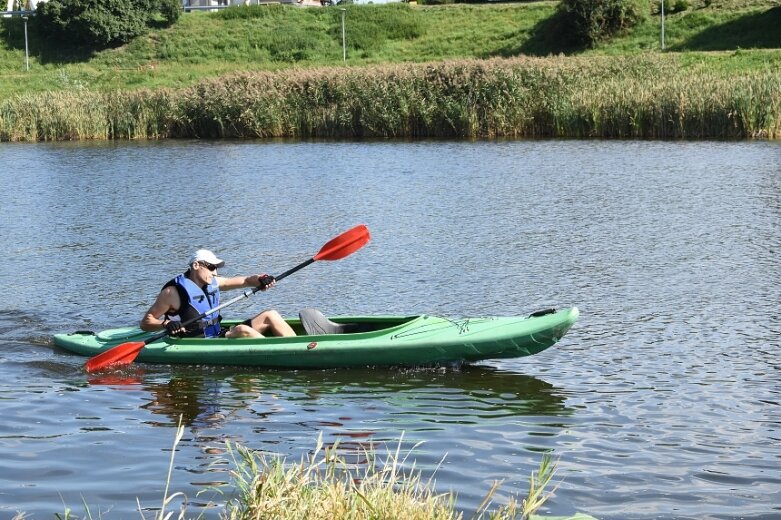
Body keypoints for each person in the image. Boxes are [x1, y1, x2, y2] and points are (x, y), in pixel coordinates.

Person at [140, 249, 296, 339]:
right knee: (242, 330)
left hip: (217, 334)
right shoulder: (172, 292)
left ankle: (298, 346)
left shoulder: (214, 282)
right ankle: (286, 353)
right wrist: (165, 324)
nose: (215, 272)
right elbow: (146, 322)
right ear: (196, 265)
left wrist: (261, 279)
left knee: (271, 314)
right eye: (212, 267)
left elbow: (246, 281)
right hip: (196, 341)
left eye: (217, 268)